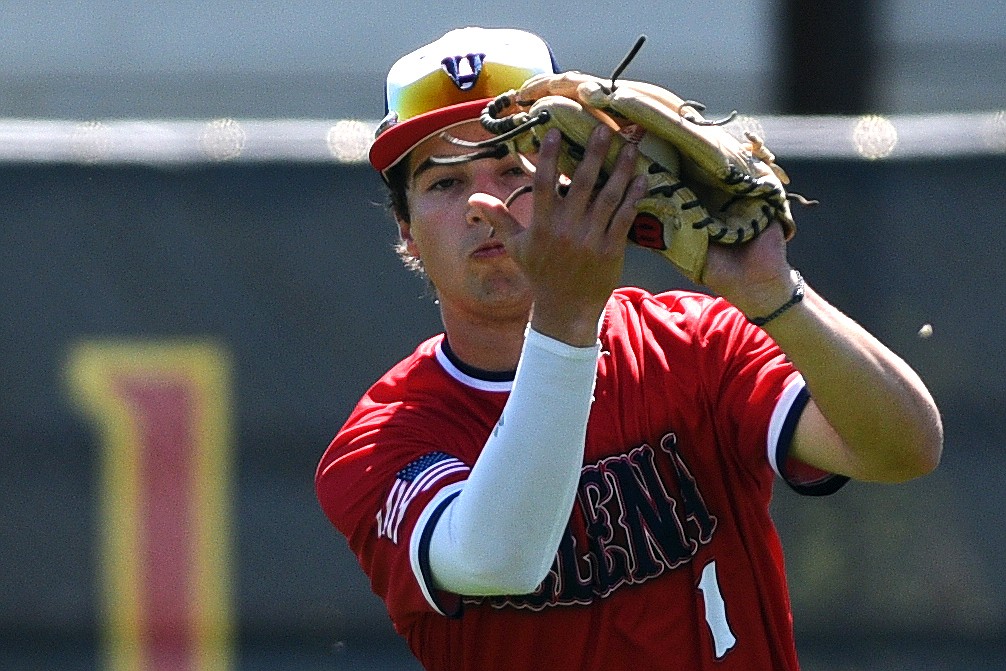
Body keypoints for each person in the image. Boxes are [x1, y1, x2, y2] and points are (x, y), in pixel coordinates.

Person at [315, 26, 943, 671]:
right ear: (406, 229)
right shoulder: (379, 442)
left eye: (512, 168)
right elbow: (498, 557)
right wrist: (568, 313)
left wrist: (773, 291)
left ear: (576, 183)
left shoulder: (692, 343)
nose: (483, 202)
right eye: (443, 183)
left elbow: (904, 449)